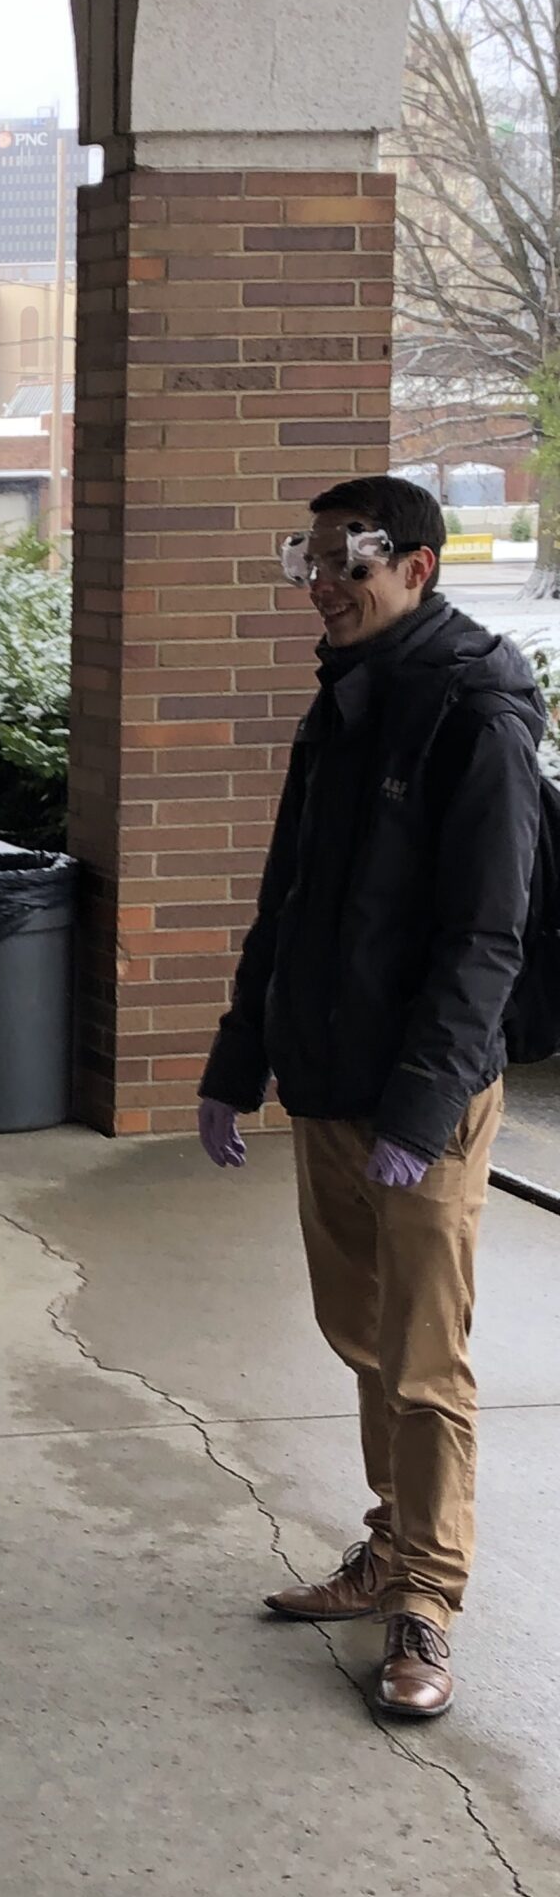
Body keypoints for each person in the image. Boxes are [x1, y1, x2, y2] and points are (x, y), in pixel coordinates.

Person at [198, 474, 545, 1720]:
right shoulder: (339, 701)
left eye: (353, 558)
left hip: (425, 1099)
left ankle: (427, 1601)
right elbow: (286, 899)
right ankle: (388, 1545)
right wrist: (240, 1060)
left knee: (424, 1359)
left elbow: (485, 939)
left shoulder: (476, 716)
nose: (327, 583)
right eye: (313, 558)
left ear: (421, 569)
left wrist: (418, 1109)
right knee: (360, 1337)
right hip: (328, 1078)